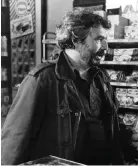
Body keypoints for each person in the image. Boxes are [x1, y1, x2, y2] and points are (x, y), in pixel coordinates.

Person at [1, 9, 124, 165]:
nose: (106, 46)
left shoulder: (102, 78)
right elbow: (14, 143)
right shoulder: (42, 80)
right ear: (75, 39)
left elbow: (110, 128)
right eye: (99, 39)